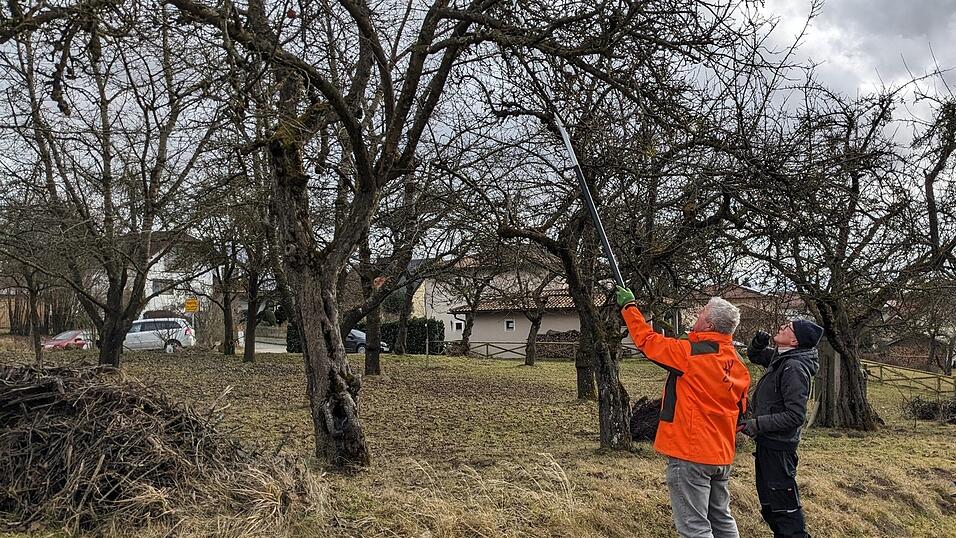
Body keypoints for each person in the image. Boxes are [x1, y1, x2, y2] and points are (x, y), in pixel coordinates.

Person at [616, 287, 751, 538]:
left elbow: (647, 341)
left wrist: (629, 308)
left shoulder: (690, 354)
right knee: (722, 520)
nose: (697, 315)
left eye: (701, 313)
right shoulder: (738, 364)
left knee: (694, 528)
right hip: (722, 453)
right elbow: (741, 410)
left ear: (709, 325)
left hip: (692, 452)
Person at [740, 320, 823, 538]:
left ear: (795, 341)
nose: (781, 328)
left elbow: (796, 416)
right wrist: (758, 343)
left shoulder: (794, 367)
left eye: (788, 328)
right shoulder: (781, 357)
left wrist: (757, 424)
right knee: (770, 507)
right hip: (767, 444)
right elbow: (756, 356)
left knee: (785, 512)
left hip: (779, 449)